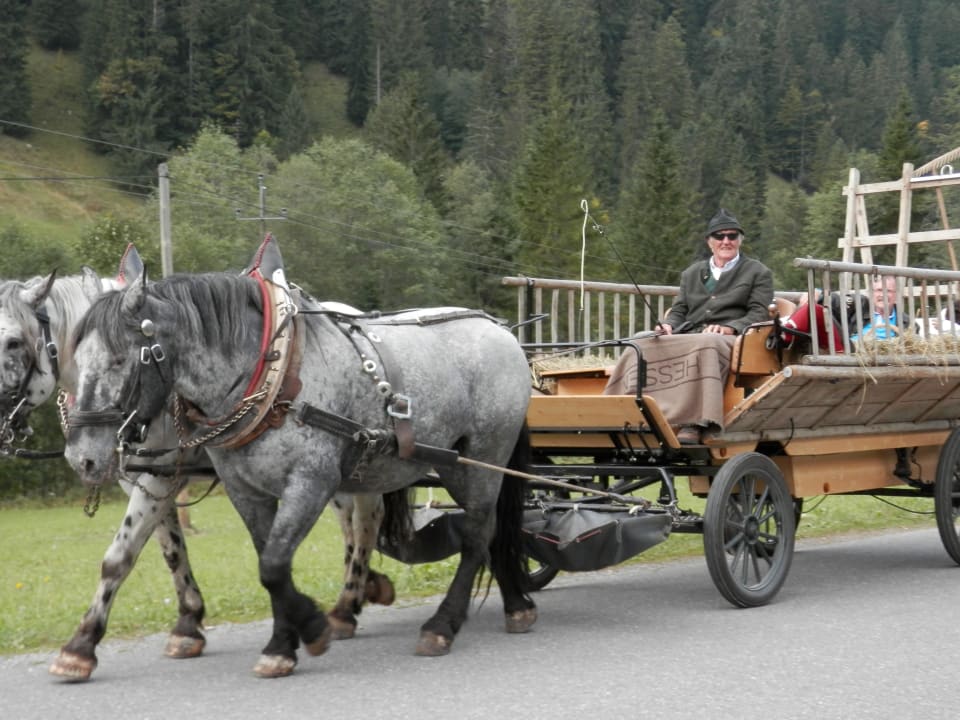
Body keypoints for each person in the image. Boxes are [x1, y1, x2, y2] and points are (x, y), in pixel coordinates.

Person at [603, 208, 774, 445]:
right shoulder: (692, 273)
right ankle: (620, 408)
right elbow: (679, 310)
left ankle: (695, 422)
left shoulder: (758, 272)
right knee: (641, 339)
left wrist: (731, 327)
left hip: (733, 340)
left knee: (706, 343)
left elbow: (759, 312)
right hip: (691, 333)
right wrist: (668, 325)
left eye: (732, 236)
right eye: (720, 236)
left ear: (740, 240)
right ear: (709, 242)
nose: (726, 241)